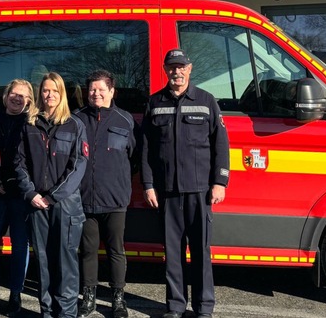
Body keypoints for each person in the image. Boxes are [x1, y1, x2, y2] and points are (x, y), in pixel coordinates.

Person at [141, 49, 230, 318]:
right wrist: (148, 184)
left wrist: (220, 181)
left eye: (181, 67)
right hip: (167, 192)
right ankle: (175, 306)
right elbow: (145, 148)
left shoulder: (206, 101)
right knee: (173, 254)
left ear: (189, 69)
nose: (176, 72)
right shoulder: (155, 103)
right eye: (171, 67)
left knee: (201, 253)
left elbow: (221, 144)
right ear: (165, 70)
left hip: (200, 191)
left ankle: (204, 307)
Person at [16, 71, 88, 318]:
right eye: (45, 90)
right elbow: (19, 163)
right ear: (40, 93)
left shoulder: (75, 125)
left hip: (65, 204)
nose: (49, 95)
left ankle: (66, 313)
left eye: (54, 91)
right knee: (44, 262)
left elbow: (78, 165)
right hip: (37, 205)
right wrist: (31, 193)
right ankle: (47, 311)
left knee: (65, 261)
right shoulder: (29, 124)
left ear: (62, 94)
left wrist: (53, 196)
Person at [74, 70, 138, 318]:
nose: (96, 93)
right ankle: (88, 299)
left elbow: (134, 157)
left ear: (112, 91)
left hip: (115, 198)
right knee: (88, 251)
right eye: (92, 89)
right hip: (84, 198)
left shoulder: (126, 120)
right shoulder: (76, 119)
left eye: (101, 89)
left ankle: (118, 299)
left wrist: (116, 178)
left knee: (116, 251)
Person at [0, 79, 34, 316]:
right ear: (6, 96)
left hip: (21, 195)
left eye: (23, 96)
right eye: (13, 94)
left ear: (30, 101)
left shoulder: (32, 123)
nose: (17, 98)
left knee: (20, 246)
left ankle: (16, 294)